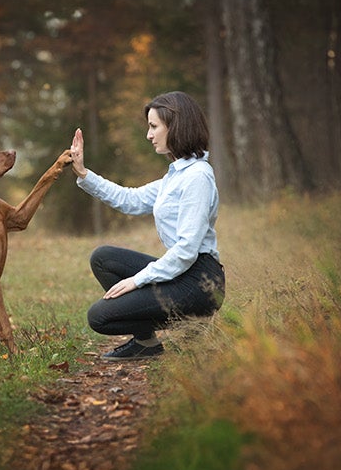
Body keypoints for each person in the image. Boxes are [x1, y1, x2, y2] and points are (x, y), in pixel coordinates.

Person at [67, 91, 226, 360]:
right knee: (104, 258)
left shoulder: (197, 177)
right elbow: (129, 199)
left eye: (154, 127)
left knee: (100, 317)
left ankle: (194, 320)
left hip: (201, 282)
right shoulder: (176, 176)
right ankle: (147, 343)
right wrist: (83, 173)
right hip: (183, 273)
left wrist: (137, 280)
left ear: (175, 126)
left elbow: (187, 249)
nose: (149, 135)